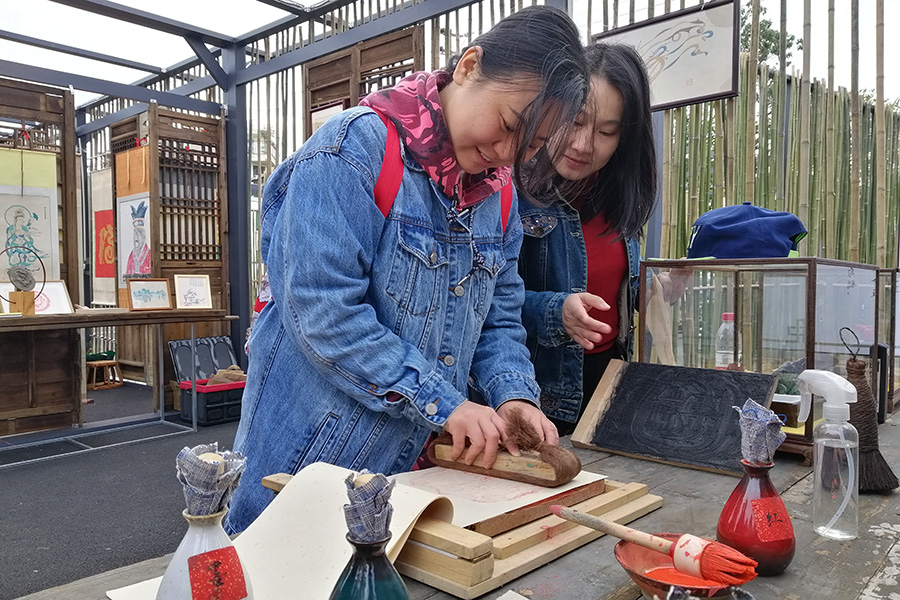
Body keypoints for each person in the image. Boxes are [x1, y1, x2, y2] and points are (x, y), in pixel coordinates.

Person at [225, 5, 588, 534]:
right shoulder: (353, 151)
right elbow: (323, 314)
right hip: (311, 459)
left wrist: (513, 394)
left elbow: (498, 320)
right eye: (510, 124)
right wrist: (444, 402)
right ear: (469, 66)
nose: (507, 151)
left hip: (411, 477)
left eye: (531, 145)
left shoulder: (502, 195)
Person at [517, 42, 657, 436]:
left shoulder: (620, 197)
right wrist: (553, 310)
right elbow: (484, 304)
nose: (583, 144)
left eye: (606, 132)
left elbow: (609, 286)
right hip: (536, 398)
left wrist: (651, 289)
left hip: (608, 392)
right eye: (574, 122)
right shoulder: (511, 191)